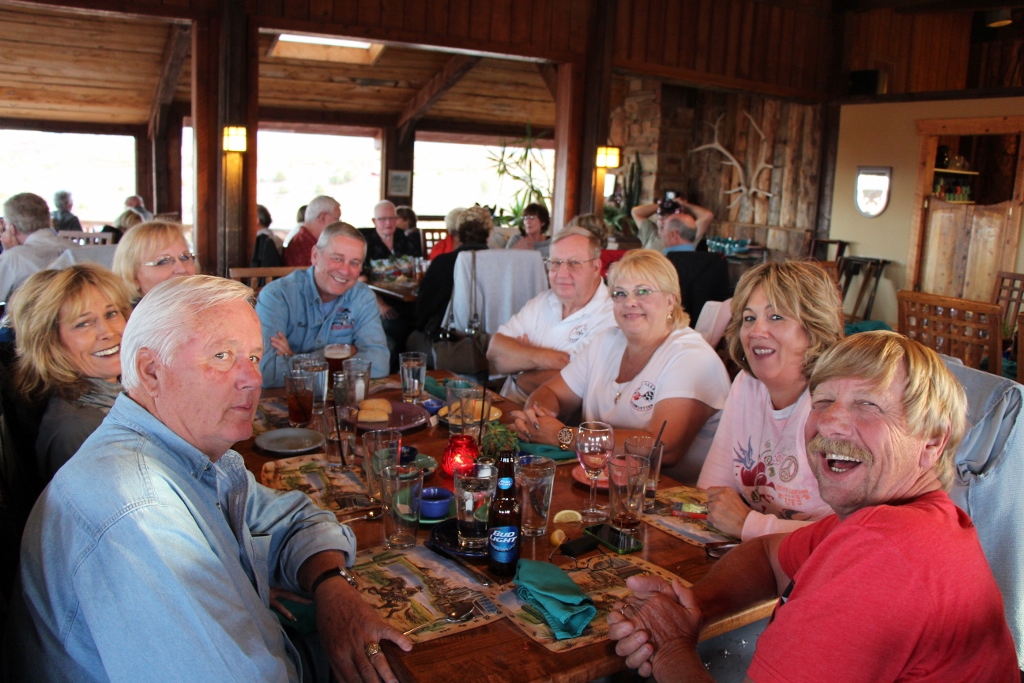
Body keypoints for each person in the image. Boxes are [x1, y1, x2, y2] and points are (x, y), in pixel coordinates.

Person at [3, 275, 412, 682]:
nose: (252, 378)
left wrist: (331, 586)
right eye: (221, 356)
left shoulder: (190, 453)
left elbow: (292, 518)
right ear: (151, 371)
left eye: (253, 357)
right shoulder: (141, 510)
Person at [608, 331, 1018, 682]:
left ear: (932, 442)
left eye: (868, 404)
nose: (829, 422)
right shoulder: (900, 518)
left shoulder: (886, 552)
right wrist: (695, 606)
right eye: (821, 401)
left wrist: (669, 648)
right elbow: (768, 555)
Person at [511, 250, 731, 483]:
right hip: (600, 484)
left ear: (670, 301)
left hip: (671, 501)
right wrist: (538, 417)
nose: (630, 302)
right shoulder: (607, 341)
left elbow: (664, 448)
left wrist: (562, 435)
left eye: (643, 292)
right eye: (620, 294)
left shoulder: (691, 356)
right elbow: (552, 392)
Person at [696, 261, 843, 540]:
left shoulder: (839, 403)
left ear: (813, 328)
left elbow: (854, 536)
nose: (756, 332)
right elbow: (711, 490)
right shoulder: (748, 385)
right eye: (749, 318)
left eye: (776, 317)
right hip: (756, 556)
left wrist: (750, 526)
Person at [9, 264, 132, 482]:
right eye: (83, 324)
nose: (108, 332)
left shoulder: (124, 390)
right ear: (49, 342)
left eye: (111, 313)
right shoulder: (75, 427)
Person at [487, 227, 616, 403]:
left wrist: (518, 370)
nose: (562, 274)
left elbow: (579, 387)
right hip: (503, 411)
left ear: (596, 267)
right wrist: (544, 357)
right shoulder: (543, 301)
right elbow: (495, 352)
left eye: (573, 263)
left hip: (556, 426)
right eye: (555, 263)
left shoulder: (611, 315)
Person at [256, 222, 389, 387]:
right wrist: (334, 355)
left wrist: (293, 357)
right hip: (290, 402)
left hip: (343, 403)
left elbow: (379, 365)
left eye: (354, 263)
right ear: (315, 256)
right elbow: (267, 373)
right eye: (337, 259)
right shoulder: (277, 296)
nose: (345, 270)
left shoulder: (363, 297)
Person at [415, 208, 492, 337]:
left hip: (450, 338)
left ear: (458, 235)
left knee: (412, 337)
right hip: (495, 336)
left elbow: (423, 308)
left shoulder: (443, 262)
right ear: (488, 234)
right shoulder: (501, 263)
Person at [0, 192, 70, 304]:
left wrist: (9, 252)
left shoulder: (14, 257)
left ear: (12, 228)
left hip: (30, 320)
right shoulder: (76, 248)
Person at [659, 213, 731, 322]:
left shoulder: (662, 265)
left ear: (673, 234)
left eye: (662, 229)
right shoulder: (716, 262)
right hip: (708, 332)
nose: (660, 234)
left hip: (672, 327)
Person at [112, 220, 197, 302]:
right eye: (163, 261)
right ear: (132, 276)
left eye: (185, 257)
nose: (182, 269)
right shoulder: (130, 316)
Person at [631, 195, 712, 252]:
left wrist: (685, 205)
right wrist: (663, 205)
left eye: (668, 218)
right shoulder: (651, 232)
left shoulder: (684, 234)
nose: (663, 221)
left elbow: (707, 216)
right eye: (661, 217)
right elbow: (636, 212)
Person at [283, 195, 341, 267]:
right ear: (322, 218)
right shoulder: (304, 247)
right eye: (337, 219)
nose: (338, 225)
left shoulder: (308, 242)